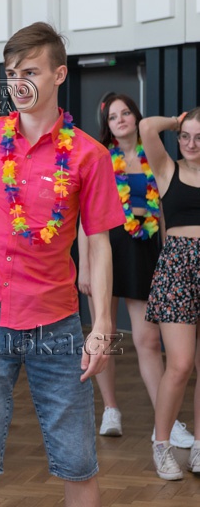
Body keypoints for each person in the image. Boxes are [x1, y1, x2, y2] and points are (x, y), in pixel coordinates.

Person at [0, 22, 124, 507]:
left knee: (77, 457)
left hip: (56, 323)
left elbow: (99, 244)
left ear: (58, 75)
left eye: (29, 72)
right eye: (10, 74)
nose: (18, 83)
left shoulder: (89, 155)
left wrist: (103, 325)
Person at [78, 94, 195, 447]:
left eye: (126, 112)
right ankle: (110, 409)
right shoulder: (99, 158)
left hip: (142, 251)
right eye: (113, 116)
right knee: (106, 334)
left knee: (148, 339)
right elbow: (86, 218)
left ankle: (166, 419)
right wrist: (84, 265)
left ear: (135, 116)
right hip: (104, 249)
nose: (120, 120)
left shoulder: (155, 158)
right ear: (107, 125)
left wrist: (168, 256)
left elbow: (167, 214)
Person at [139, 107, 200, 480]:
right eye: (185, 136)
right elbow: (147, 127)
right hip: (178, 268)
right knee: (179, 364)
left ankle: (199, 448)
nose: (191, 144)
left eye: (199, 137)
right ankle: (161, 444)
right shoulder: (166, 169)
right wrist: (178, 121)